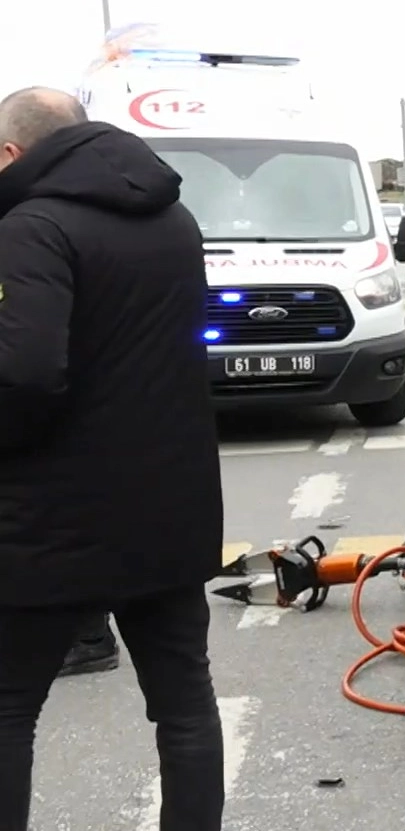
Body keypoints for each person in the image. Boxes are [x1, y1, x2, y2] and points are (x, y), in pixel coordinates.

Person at [0, 87, 226, 830]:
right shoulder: (175, 217)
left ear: (11, 153)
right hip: (170, 506)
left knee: (9, 710)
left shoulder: (30, 227)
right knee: (185, 704)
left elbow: (28, 373)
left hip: (51, 518)